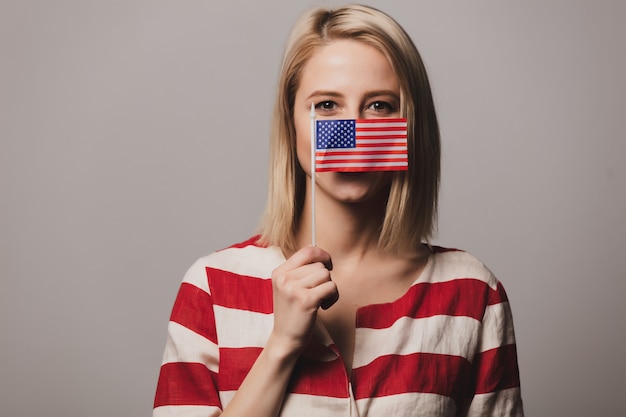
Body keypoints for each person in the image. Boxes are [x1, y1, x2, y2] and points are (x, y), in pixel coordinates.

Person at [153, 4, 524, 417]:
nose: (352, 132)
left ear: (411, 125)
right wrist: (281, 346)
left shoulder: (472, 293)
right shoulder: (212, 287)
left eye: (380, 105)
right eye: (326, 105)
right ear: (291, 122)